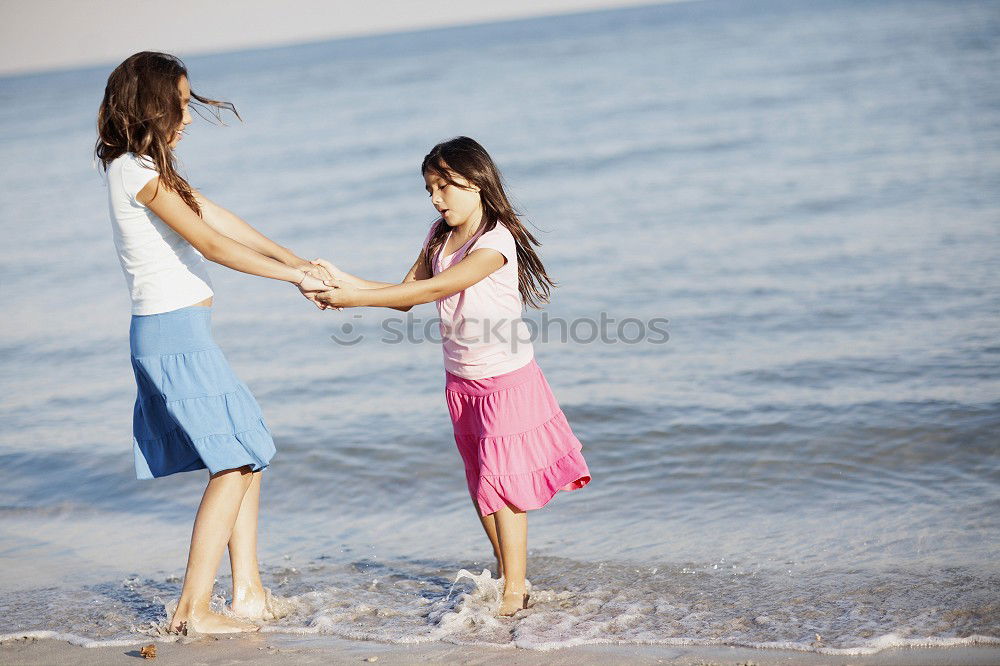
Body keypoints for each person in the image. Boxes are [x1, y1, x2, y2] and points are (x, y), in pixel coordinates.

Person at [96, 51, 330, 634]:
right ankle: (192, 611)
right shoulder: (136, 171)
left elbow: (216, 216)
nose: (190, 114)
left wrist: (296, 259)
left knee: (246, 449)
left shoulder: (148, 168)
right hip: (172, 336)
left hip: (182, 333)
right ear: (153, 104)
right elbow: (212, 243)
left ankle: (246, 592)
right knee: (235, 461)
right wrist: (294, 278)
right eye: (182, 101)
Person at [312, 136, 591, 616]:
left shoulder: (497, 240)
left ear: (477, 182)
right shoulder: (438, 236)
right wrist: (343, 282)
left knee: (503, 480)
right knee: (482, 482)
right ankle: (510, 577)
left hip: (506, 378)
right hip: (460, 379)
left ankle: (513, 592)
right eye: (430, 190)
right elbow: (405, 295)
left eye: (444, 186)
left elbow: (441, 287)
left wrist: (353, 299)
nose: (437, 199)